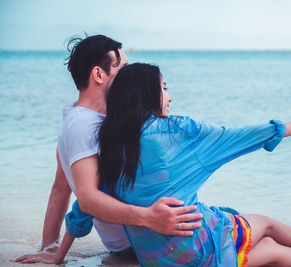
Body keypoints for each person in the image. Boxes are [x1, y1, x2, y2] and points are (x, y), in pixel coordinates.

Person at [65, 63, 291, 266]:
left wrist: (57, 255)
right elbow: (245, 136)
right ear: (148, 94)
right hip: (196, 250)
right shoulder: (181, 132)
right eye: (164, 88)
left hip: (157, 258)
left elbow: (85, 206)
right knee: (267, 228)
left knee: (257, 238)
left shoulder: (111, 144)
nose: (169, 97)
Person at [14, 34, 203, 263]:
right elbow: (87, 200)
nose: (128, 74)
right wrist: (148, 217)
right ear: (98, 74)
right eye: (122, 68)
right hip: (141, 240)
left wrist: (50, 246)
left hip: (141, 235)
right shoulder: (83, 126)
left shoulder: (79, 119)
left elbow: (60, 188)